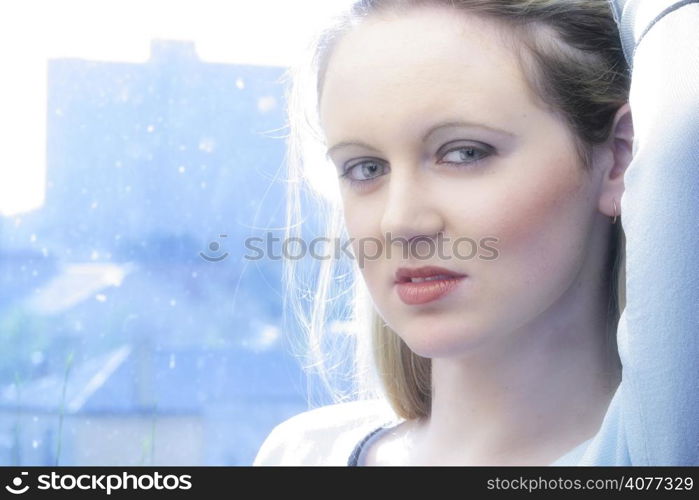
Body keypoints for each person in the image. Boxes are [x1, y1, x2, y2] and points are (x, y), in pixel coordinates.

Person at [253, 0, 699, 465]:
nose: (399, 222)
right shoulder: (299, 455)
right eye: (365, 168)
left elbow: (685, 122)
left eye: (465, 153)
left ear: (619, 158)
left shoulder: (655, 457)